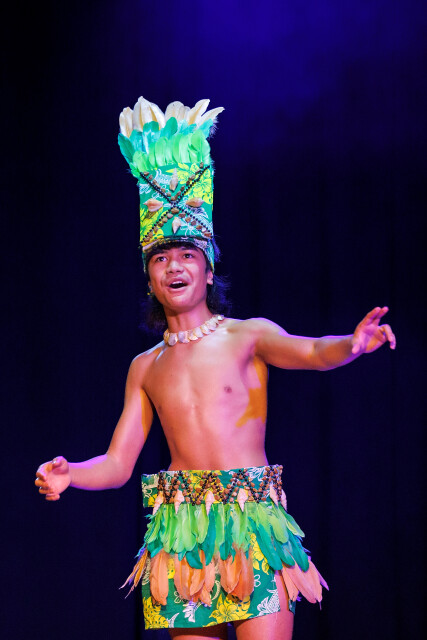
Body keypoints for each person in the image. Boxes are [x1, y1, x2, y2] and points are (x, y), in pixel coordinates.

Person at [35, 97, 396, 640]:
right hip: (182, 534)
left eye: (187, 255)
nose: (173, 266)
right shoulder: (145, 367)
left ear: (207, 270)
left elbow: (311, 352)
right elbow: (117, 463)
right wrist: (72, 475)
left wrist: (352, 344)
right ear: (150, 278)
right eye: (160, 258)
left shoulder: (247, 336)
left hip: (255, 525)